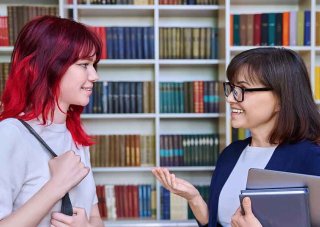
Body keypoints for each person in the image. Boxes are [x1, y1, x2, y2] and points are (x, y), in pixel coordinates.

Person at [152, 47, 320, 227]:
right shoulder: (230, 155)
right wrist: (195, 200)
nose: (230, 98)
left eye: (243, 89)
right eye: (231, 88)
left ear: (280, 98)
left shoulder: (311, 159)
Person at [0, 16, 104, 227]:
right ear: (48, 67)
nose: (94, 75)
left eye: (93, 65)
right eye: (84, 64)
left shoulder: (76, 138)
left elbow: (96, 218)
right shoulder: (10, 135)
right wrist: (56, 185)